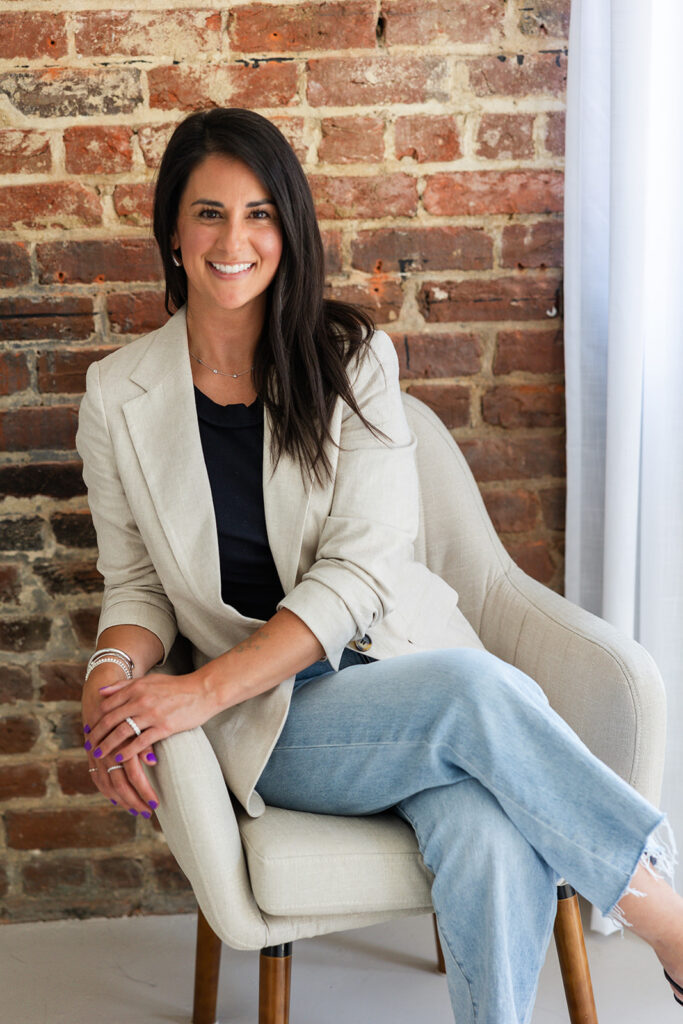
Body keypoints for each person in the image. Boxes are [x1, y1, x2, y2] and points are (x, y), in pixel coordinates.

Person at [76, 107, 683, 1023]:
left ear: (289, 227)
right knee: (478, 695)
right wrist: (111, 673)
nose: (233, 239)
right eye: (208, 213)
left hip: (399, 663)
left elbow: (360, 571)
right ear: (171, 228)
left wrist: (193, 693)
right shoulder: (116, 394)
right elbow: (136, 587)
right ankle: (672, 928)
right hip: (271, 717)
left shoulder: (351, 358)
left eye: (259, 214)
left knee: (484, 829)